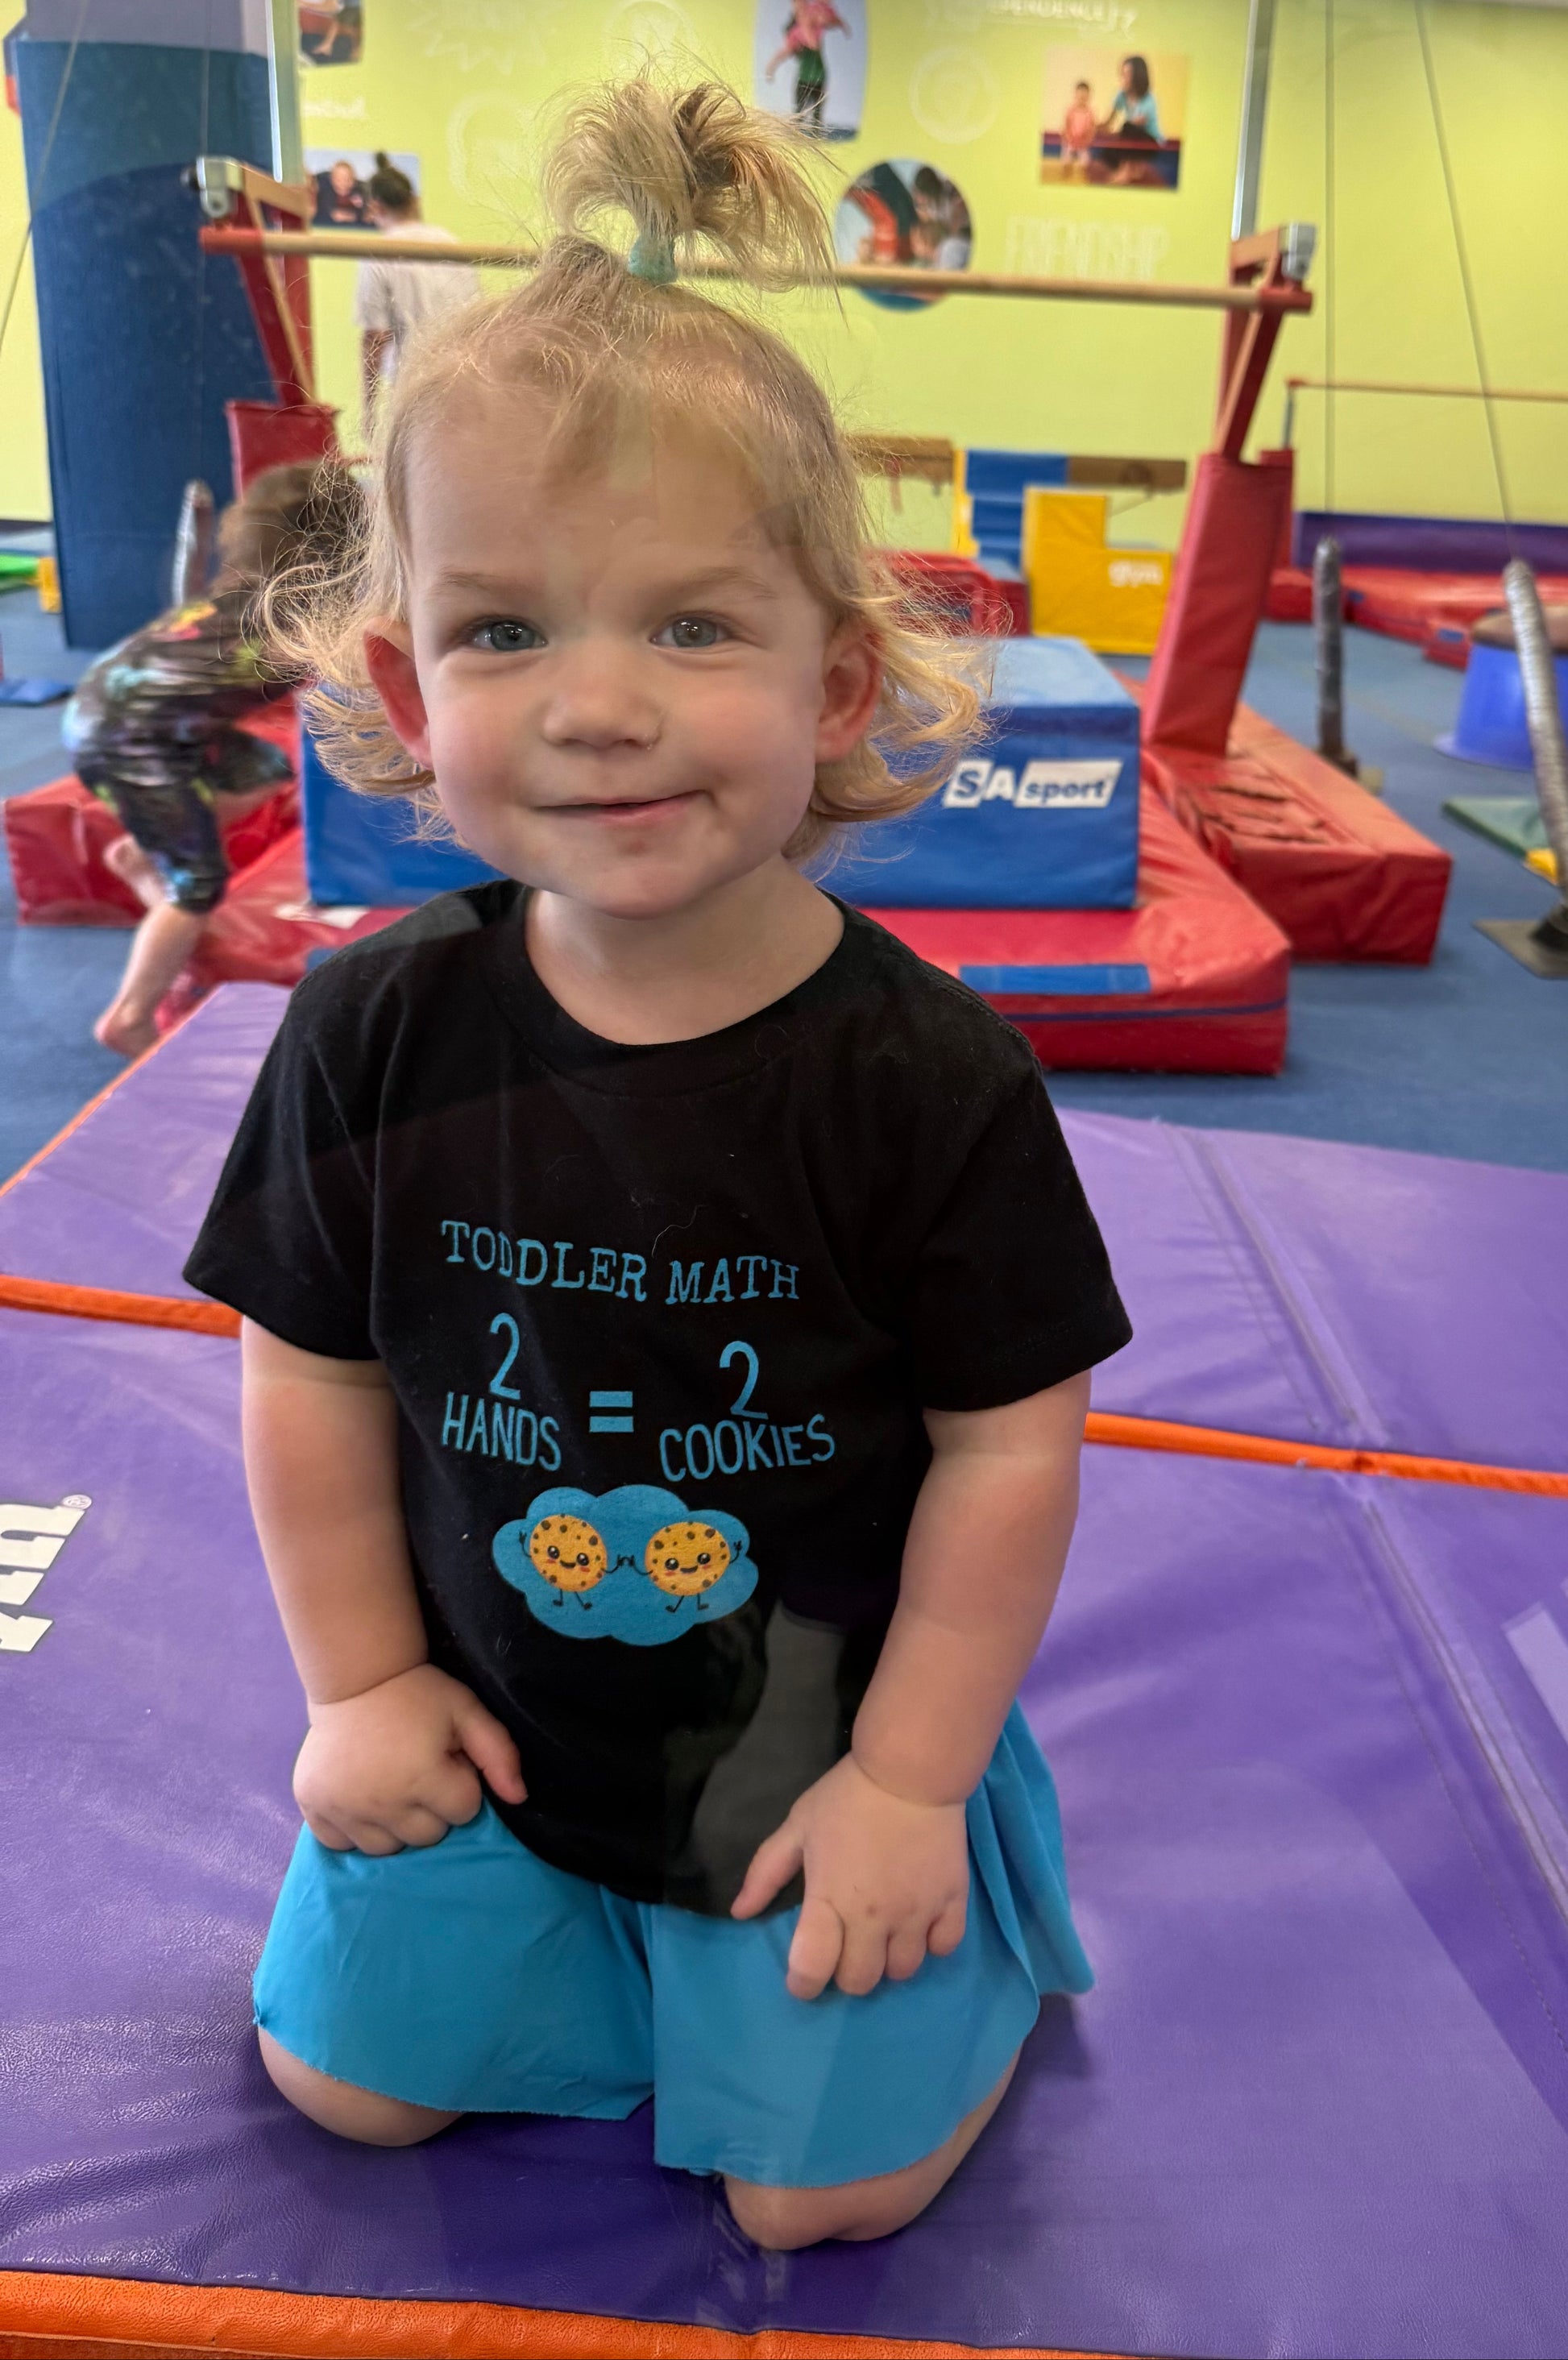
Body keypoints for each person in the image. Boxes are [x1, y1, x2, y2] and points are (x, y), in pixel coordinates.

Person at [185, 78, 1131, 2252]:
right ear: (409, 679)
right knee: (346, 2089)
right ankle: (587, 1949)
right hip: (506, 1726)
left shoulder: (923, 1080)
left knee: (821, 2205)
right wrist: (361, 1685)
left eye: (691, 627)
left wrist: (905, 1780)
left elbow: (1008, 1448)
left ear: (839, 678)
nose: (597, 704)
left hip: (813, 1741)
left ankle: (963, 1886)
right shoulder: (375, 1029)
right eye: (507, 631)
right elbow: (313, 1372)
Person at [63, 461, 363, 1059]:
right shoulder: (294, 614)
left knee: (265, 770)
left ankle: (145, 853)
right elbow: (348, 676)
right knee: (200, 886)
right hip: (129, 735)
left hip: (122, 711)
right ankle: (129, 1015)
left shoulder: (242, 592)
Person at [353, 155, 483, 428]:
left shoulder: (379, 254)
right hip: (462, 380)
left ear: (375, 207)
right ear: (415, 201)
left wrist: (369, 410)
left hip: (412, 387)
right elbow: (478, 321)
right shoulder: (453, 245)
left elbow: (375, 338)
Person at [765, 0, 850, 135]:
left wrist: (842, 25)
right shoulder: (794, 32)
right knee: (799, 115)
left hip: (819, 78)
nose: (801, 9)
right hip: (804, 79)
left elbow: (828, 21)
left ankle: (814, 135)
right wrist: (771, 68)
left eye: (803, 5)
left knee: (817, 118)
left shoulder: (816, 14)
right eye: (797, 7)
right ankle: (797, 135)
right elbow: (785, 52)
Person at [1062, 79, 1097, 167]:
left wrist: (1086, 141)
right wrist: (1069, 139)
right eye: (1080, 96)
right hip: (1071, 142)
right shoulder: (1070, 110)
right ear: (1075, 95)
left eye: (1084, 96)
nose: (1082, 98)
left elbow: (1092, 129)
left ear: (1088, 97)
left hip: (1083, 144)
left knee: (1086, 163)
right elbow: (1066, 126)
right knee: (1066, 161)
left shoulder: (1090, 113)